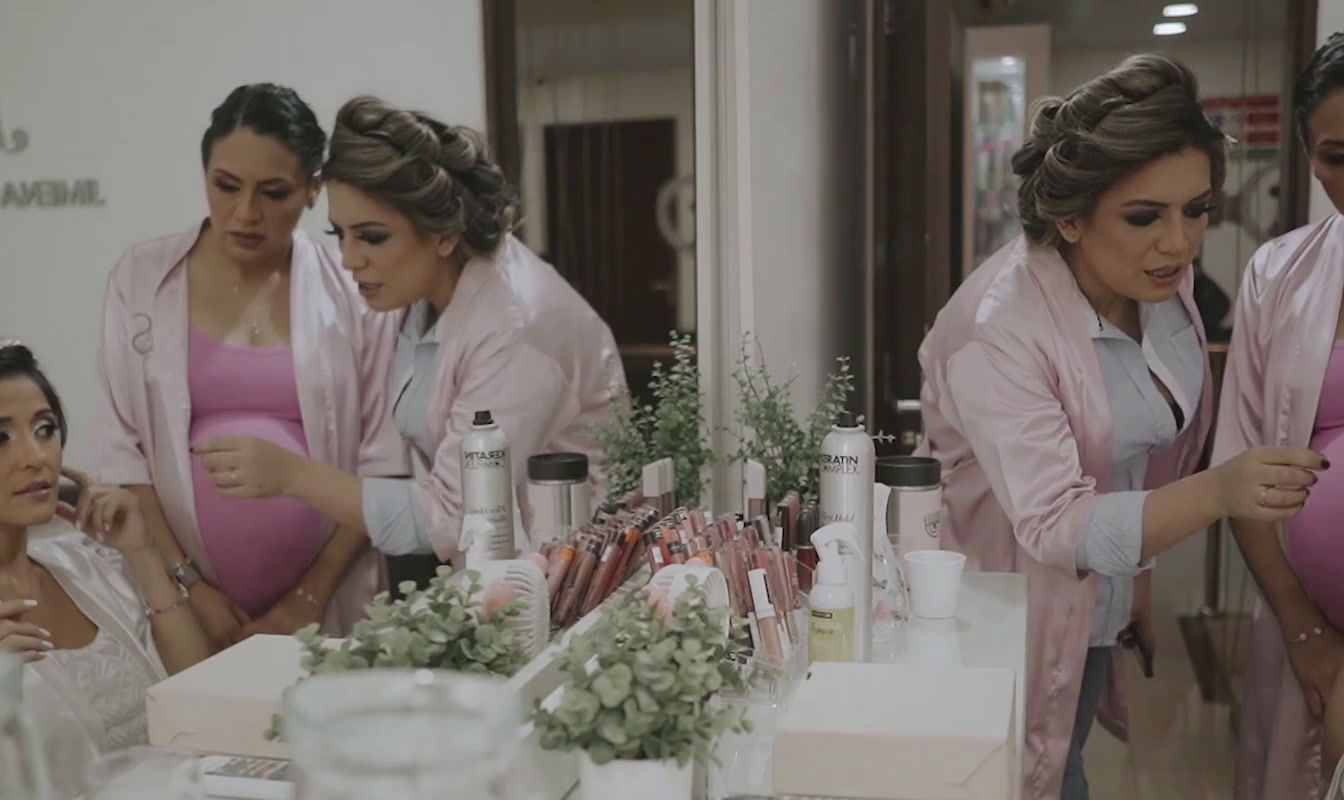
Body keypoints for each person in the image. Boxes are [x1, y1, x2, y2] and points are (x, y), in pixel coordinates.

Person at [914, 54, 1325, 800]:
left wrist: (1132, 581)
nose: (1180, 244)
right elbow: (1054, 525)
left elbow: (1140, 456)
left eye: (1195, 209)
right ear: (1070, 217)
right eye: (1145, 217)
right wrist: (1221, 491)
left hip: (1096, 598)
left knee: (1064, 755)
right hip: (1002, 609)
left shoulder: (1163, 295)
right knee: (1024, 776)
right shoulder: (999, 328)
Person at [192, 95, 625, 568]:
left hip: (567, 579)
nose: (350, 258)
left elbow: (455, 516)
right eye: (341, 234)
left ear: (443, 234)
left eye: (373, 237)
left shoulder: (517, 329)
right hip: (496, 574)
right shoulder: (419, 295)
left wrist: (292, 477)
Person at [91, 84, 406, 649]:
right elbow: (124, 453)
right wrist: (190, 588)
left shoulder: (353, 287)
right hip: (182, 603)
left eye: (274, 192)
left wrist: (309, 598)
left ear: (314, 189)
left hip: (329, 602)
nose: (245, 214)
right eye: (226, 186)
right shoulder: (140, 279)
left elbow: (381, 460)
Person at [1213, 32, 1344, 799]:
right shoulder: (1279, 272)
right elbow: (1238, 468)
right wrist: (1304, 630)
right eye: (1336, 156)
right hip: (1304, 621)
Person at [0, 343, 211, 796]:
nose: (36, 456)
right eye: (1, 438)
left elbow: (202, 704)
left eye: (45, 429)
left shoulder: (89, 564)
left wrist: (145, 554)